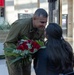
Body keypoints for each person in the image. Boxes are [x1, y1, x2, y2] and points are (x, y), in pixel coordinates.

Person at [4, 8, 48, 75]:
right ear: (34, 18)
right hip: (14, 54)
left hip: (27, 55)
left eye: (45, 22)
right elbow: (9, 42)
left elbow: (40, 42)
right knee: (16, 73)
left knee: (26, 72)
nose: (44, 25)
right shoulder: (20, 25)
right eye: (42, 22)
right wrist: (18, 52)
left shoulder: (41, 28)